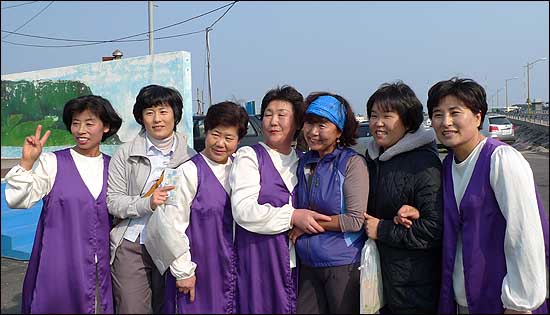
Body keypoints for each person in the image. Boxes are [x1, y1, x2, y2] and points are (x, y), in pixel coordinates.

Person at [426, 77, 549, 314]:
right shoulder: (448, 165)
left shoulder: (501, 160)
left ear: (478, 117)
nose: (445, 122)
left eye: (455, 112)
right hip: (463, 301)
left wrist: (519, 304)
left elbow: (525, 234)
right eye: (437, 114)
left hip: (504, 303)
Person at [5, 95, 122, 314]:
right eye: (75, 123)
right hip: (59, 263)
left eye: (89, 123)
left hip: (101, 267)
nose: (81, 130)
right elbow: (17, 199)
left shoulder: (114, 166)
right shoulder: (53, 162)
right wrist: (27, 163)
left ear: (105, 126)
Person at [229, 85, 331, 314]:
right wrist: (293, 216)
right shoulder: (250, 156)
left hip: (301, 267)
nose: (273, 121)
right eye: (268, 114)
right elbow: (243, 210)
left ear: (297, 123)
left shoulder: (305, 161)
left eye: (282, 115)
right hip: (260, 264)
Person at [144, 101, 249, 314]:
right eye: (215, 134)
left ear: (238, 140)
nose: (220, 143)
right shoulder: (181, 172)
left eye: (229, 138)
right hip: (197, 269)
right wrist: (183, 272)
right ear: (206, 131)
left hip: (230, 269)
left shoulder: (241, 169)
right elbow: (170, 227)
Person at [107, 84, 196, 314]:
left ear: (175, 115)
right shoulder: (125, 154)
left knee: (168, 308)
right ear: (141, 117)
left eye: (163, 111)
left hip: (171, 245)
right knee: (132, 307)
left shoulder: (190, 157)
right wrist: (146, 202)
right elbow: (113, 201)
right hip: (133, 244)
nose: (157, 119)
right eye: (149, 112)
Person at [362, 81, 443, 314]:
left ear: (407, 121)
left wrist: (382, 229)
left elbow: (433, 229)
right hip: (382, 279)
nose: (377, 123)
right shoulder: (372, 158)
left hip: (414, 286)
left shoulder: (423, 164)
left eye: (387, 116)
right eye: (373, 115)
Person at [288, 92, 369, 314]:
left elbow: (354, 220)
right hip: (308, 264)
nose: (313, 132)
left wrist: (307, 224)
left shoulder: (352, 163)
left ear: (339, 131)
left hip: (342, 265)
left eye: (322, 125)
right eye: (309, 123)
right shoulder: (304, 160)